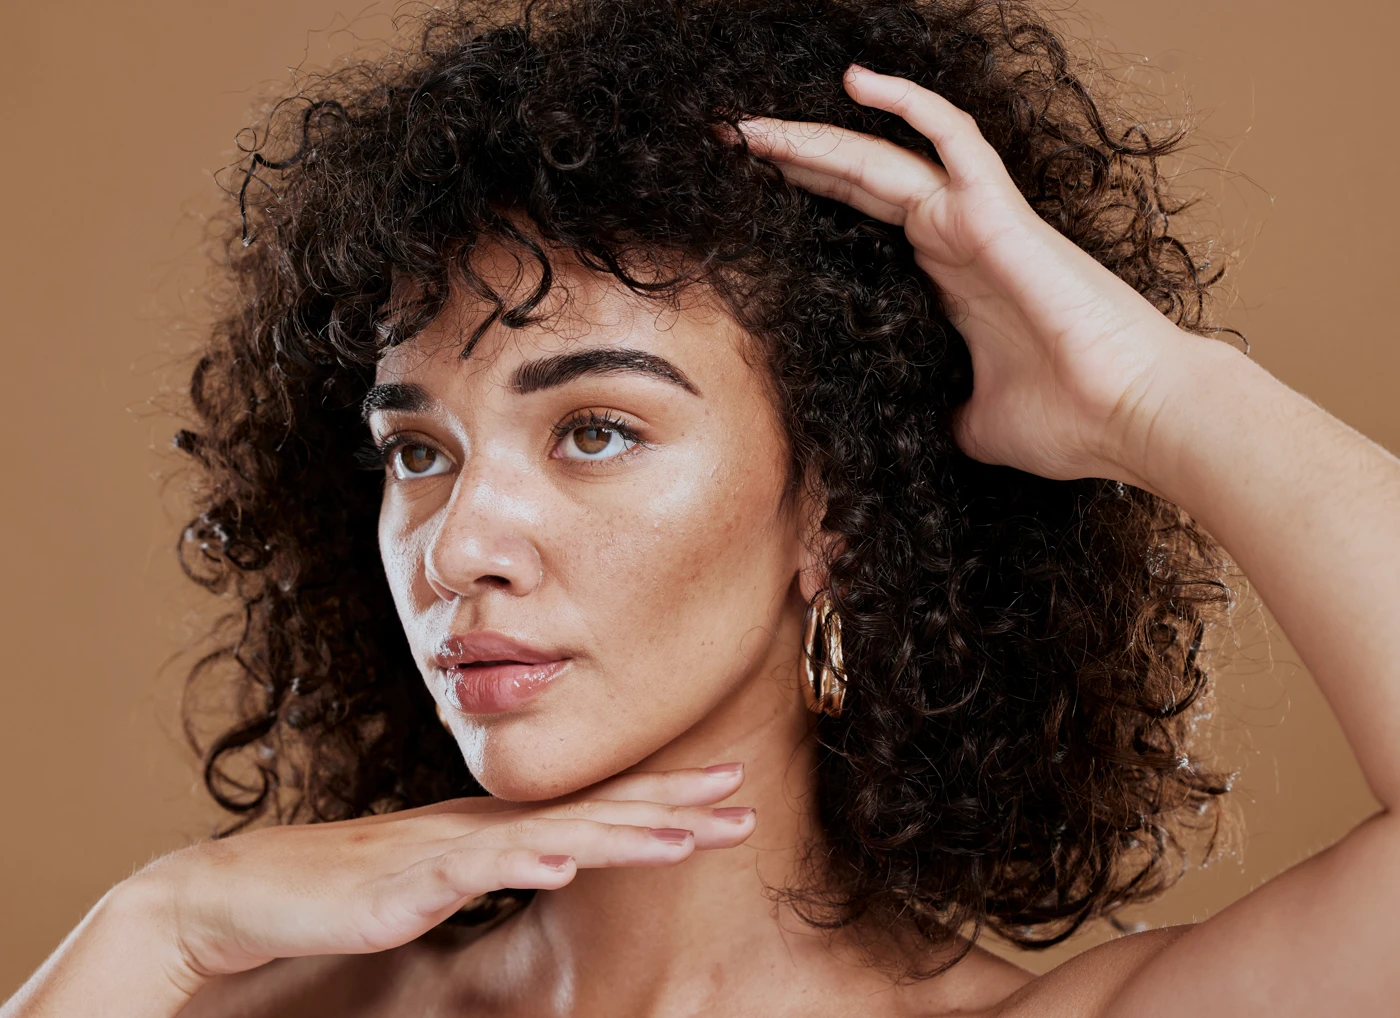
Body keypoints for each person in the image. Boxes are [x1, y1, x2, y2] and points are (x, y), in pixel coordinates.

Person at [5, 0, 1398, 1014]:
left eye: (596, 429)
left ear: (840, 510)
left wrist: (1153, 390)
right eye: (417, 449)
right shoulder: (229, 996)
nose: (460, 543)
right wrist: (159, 918)